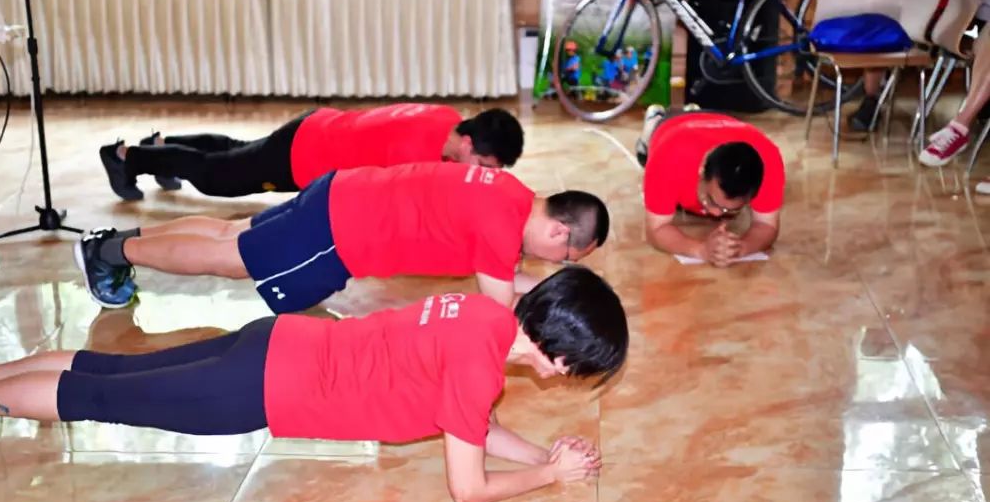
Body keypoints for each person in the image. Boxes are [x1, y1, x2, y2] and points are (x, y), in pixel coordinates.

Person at [0, 268, 629, 502]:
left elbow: (471, 422)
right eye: (581, 366)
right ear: (562, 357)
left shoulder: (483, 316)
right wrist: (549, 478)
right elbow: (466, 487)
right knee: (100, 397)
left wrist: (544, 456)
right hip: (262, 389)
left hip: (275, 342)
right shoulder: (480, 365)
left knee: (111, 370)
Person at [75, 161, 610, 311]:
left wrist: (552, 286)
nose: (555, 263)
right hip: (341, 232)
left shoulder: (511, 193)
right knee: (231, 257)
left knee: (228, 232)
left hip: (343, 193)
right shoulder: (501, 228)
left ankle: (116, 241)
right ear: (559, 230)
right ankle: (107, 252)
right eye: (565, 257)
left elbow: (505, 276)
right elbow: (498, 305)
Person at [98, 104, 525, 201]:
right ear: (467, 144)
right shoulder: (420, 158)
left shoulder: (448, 117)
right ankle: (126, 158)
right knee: (217, 178)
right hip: (303, 156)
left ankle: (160, 148)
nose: (484, 174)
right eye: (484, 166)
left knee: (235, 152)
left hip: (318, 126)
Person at [635, 105, 785, 267]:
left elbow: (767, 225)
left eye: (730, 210)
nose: (716, 213)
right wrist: (700, 250)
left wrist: (741, 248)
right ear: (701, 170)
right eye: (711, 200)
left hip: (728, 121)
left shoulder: (768, 161)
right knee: (645, 153)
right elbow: (655, 230)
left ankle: (693, 109)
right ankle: (655, 119)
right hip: (672, 127)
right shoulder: (668, 157)